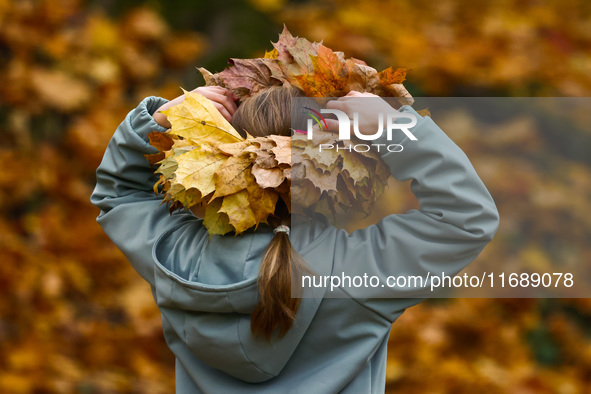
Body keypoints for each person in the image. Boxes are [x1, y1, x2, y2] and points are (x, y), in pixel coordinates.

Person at [91, 84, 499, 393]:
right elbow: (467, 217)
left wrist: (159, 120)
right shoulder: (357, 274)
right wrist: (397, 129)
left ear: (220, 160)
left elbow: (119, 194)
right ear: (336, 172)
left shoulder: (176, 261)